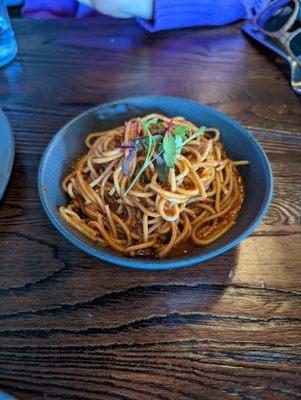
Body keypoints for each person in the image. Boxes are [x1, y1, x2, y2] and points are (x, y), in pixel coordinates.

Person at [22, 0, 270, 32]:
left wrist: (150, 6)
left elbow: (249, 3)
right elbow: (39, 13)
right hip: (79, 58)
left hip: (200, 54)